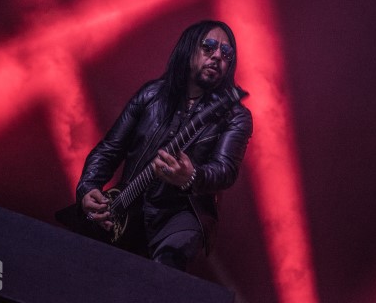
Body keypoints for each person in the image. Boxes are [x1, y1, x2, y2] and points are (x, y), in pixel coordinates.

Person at [76, 20, 253, 271]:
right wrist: (87, 187)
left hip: (180, 217)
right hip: (125, 208)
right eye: (209, 46)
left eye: (226, 53)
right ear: (188, 49)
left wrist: (192, 176)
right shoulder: (151, 95)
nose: (217, 56)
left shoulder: (235, 116)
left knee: (164, 273)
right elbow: (110, 149)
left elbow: (225, 170)